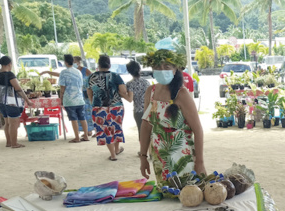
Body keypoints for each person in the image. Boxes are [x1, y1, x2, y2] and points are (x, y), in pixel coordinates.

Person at [139, 49, 205, 192]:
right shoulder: (150, 92)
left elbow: (198, 130)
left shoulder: (182, 94)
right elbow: (146, 125)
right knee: (167, 196)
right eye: (157, 67)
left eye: (167, 67)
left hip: (182, 158)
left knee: (188, 196)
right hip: (159, 157)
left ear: (176, 69)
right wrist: (143, 156)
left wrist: (199, 162)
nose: (161, 70)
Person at [87, 55, 133, 161]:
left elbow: (89, 93)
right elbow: (123, 90)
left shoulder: (91, 77)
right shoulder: (115, 76)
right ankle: (116, 149)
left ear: (98, 65)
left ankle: (113, 154)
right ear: (109, 65)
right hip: (116, 107)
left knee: (106, 130)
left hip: (99, 107)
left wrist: (93, 103)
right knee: (116, 128)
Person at [0, 56, 33, 148]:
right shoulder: (9, 75)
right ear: (9, 64)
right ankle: (14, 143)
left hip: (0, 101)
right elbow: (18, 89)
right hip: (11, 102)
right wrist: (27, 100)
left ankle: (9, 142)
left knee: (7, 123)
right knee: (14, 123)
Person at [57, 54, 89, 143]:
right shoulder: (78, 71)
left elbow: (62, 87)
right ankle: (86, 135)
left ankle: (77, 137)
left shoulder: (64, 72)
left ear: (65, 62)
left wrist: (61, 98)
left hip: (69, 100)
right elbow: (81, 85)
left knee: (73, 119)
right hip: (80, 98)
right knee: (82, 117)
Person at [125, 60, 150, 143]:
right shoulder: (146, 82)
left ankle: (143, 152)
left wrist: (121, 94)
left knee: (141, 131)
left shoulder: (130, 84)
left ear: (129, 71)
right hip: (149, 109)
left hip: (138, 111)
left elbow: (130, 99)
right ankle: (150, 152)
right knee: (150, 131)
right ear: (139, 69)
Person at [75, 56, 94, 137]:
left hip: (86, 93)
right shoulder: (74, 71)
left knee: (89, 112)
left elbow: (93, 78)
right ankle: (86, 130)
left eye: (75, 61)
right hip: (79, 94)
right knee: (82, 113)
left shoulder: (85, 70)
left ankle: (91, 130)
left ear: (79, 62)